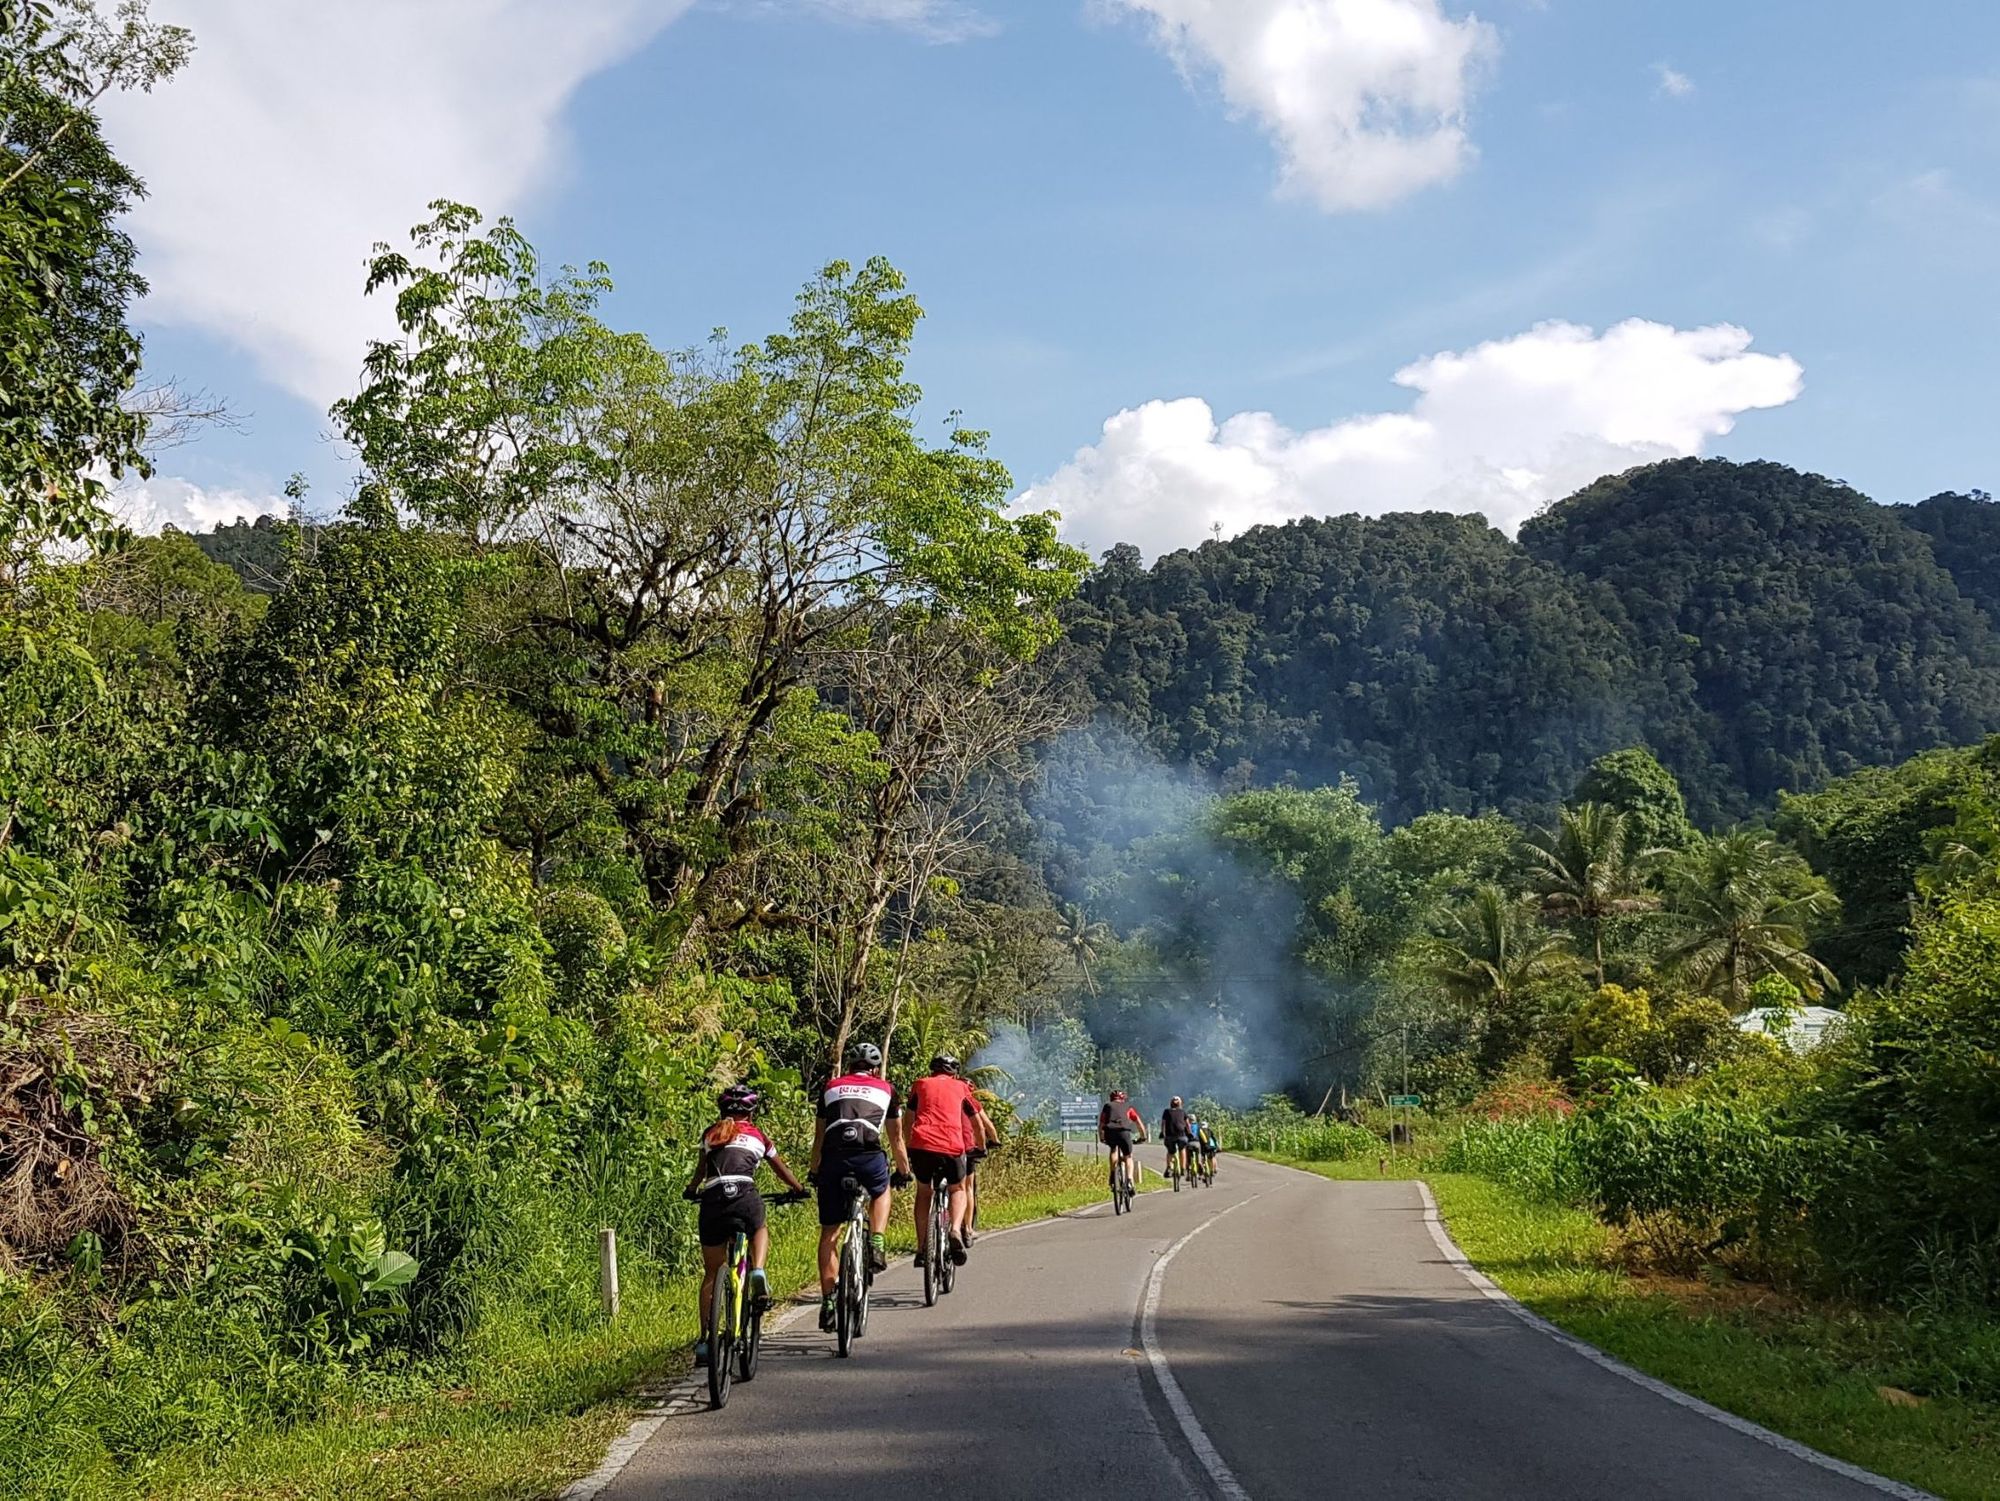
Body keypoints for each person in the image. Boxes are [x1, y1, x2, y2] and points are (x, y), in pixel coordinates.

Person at [683, 1084, 806, 1369]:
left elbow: (701, 1171)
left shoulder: (710, 1134)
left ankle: (704, 1341)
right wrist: (798, 1188)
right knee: (759, 1228)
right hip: (745, 1197)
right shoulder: (758, 1135)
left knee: (712, 1272)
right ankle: (758, 1270)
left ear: (721, 1110)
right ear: (751, 1112)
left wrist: (691, 1190)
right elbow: (780, 1168)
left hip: (713, 1200)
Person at [809, 1042, 911, 1332]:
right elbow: (897, 1139)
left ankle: (828, 1300)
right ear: (875, 1069)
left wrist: (815, 1170)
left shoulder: (830, 1087)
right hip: (868, 1157)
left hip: (834, 1160)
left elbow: (819, 1138)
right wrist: (904, 1171)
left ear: (849, 1067)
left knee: (829, 1233)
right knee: (881, 1190)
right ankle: (877, 1240)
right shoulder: (886, 1089)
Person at [904, 1053, 992, 1267]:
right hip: (952, 1147)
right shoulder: (962, 1088)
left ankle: (922, 1248)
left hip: (922, 1145)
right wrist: (981, 1148)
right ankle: (954, 1230)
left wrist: (909, 1146)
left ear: (932, 1070)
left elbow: (908, 1120)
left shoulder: (920, 1085)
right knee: (958, 1189)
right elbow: (977, 1124)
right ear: (955, 1073)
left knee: (924, 1192)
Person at [1099, 1089, 1146, 1190]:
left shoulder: (1107, 1106)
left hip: (1110, 1131)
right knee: (1128, 1156)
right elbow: (1138, 1122)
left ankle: (1112, 1174)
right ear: (1123, 1098)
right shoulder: (1128, 1107)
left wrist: (1101, 1137)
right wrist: (1143, 1136)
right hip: (1124, 1132)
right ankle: (1129, 1180)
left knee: (1113, 1149)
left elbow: (1101, 1124)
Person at [1159, 1095, 1194, 1180]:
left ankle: (1169, 1168)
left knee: (1170, 1152)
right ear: (1180, 1104)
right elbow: (1187, 1124)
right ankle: (1182, 1168)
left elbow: (1163, 1123)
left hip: (1170, 1136)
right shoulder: (1183, 1112)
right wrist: (1189, 1133)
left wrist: (1162, 1133)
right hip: (1181, 1135)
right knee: (1182, 1149)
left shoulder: (1166, 1111)